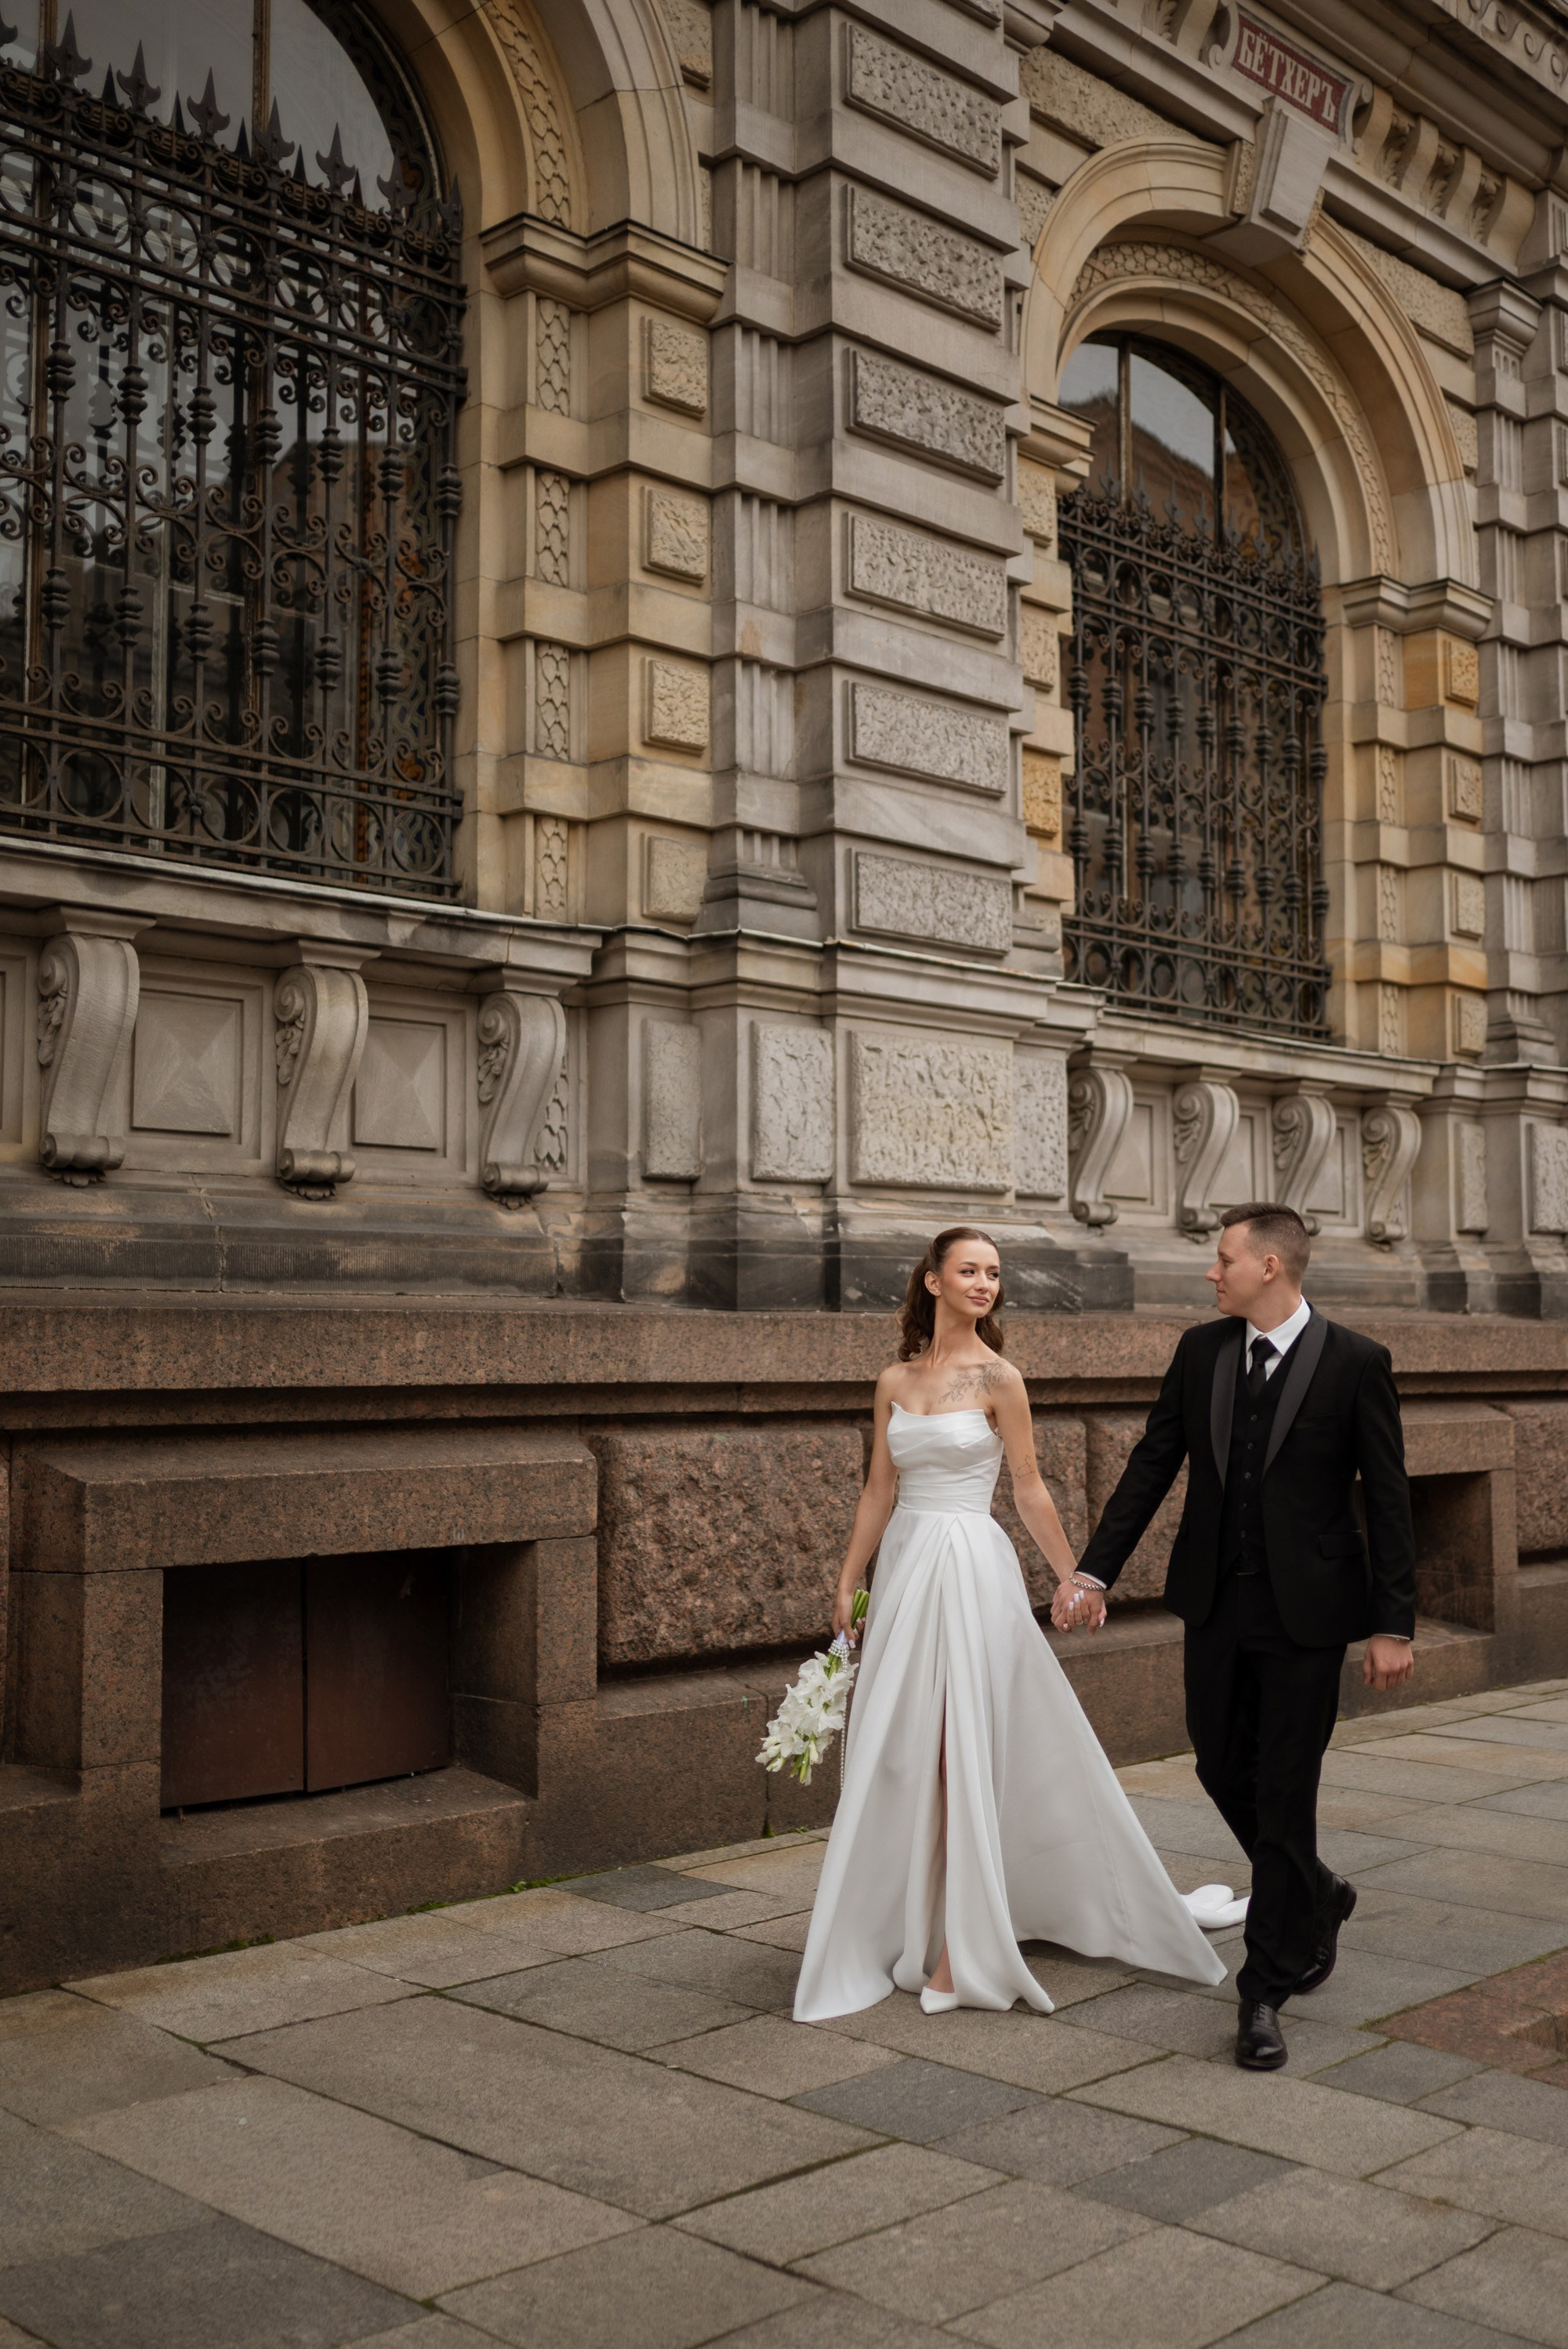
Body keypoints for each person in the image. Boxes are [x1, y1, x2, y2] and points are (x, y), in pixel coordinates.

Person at [793, 1225, 1227, 2023]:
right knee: (906, 1755)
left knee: (964, 1753)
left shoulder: (1001, 1377)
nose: (984, 1283)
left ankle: (965, 1949)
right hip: (905, 1573)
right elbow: (875, 1492)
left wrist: (1073, 1575)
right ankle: (909, 1925)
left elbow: (1027, 1486)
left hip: (969, 1568)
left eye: (993, 1272)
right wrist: (849, 1579)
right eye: (968, 1269)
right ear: (931, 1280)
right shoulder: (892, 1378)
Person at [1068, 1202, 1416, 2072]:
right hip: (1216, 1605)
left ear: (1270, 1265)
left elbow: (1386, 1496)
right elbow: (1153, 1462)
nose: (1209, 1272)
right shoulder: (1200, 1351)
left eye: (1222, 1259)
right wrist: (1093, 1570)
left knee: (1286, 1786)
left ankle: (1262, 1989)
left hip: (1308, 1616)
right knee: (1220, 1764)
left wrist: (1390, 1621)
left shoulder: (1355, 1361)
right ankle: (1317, 1888)